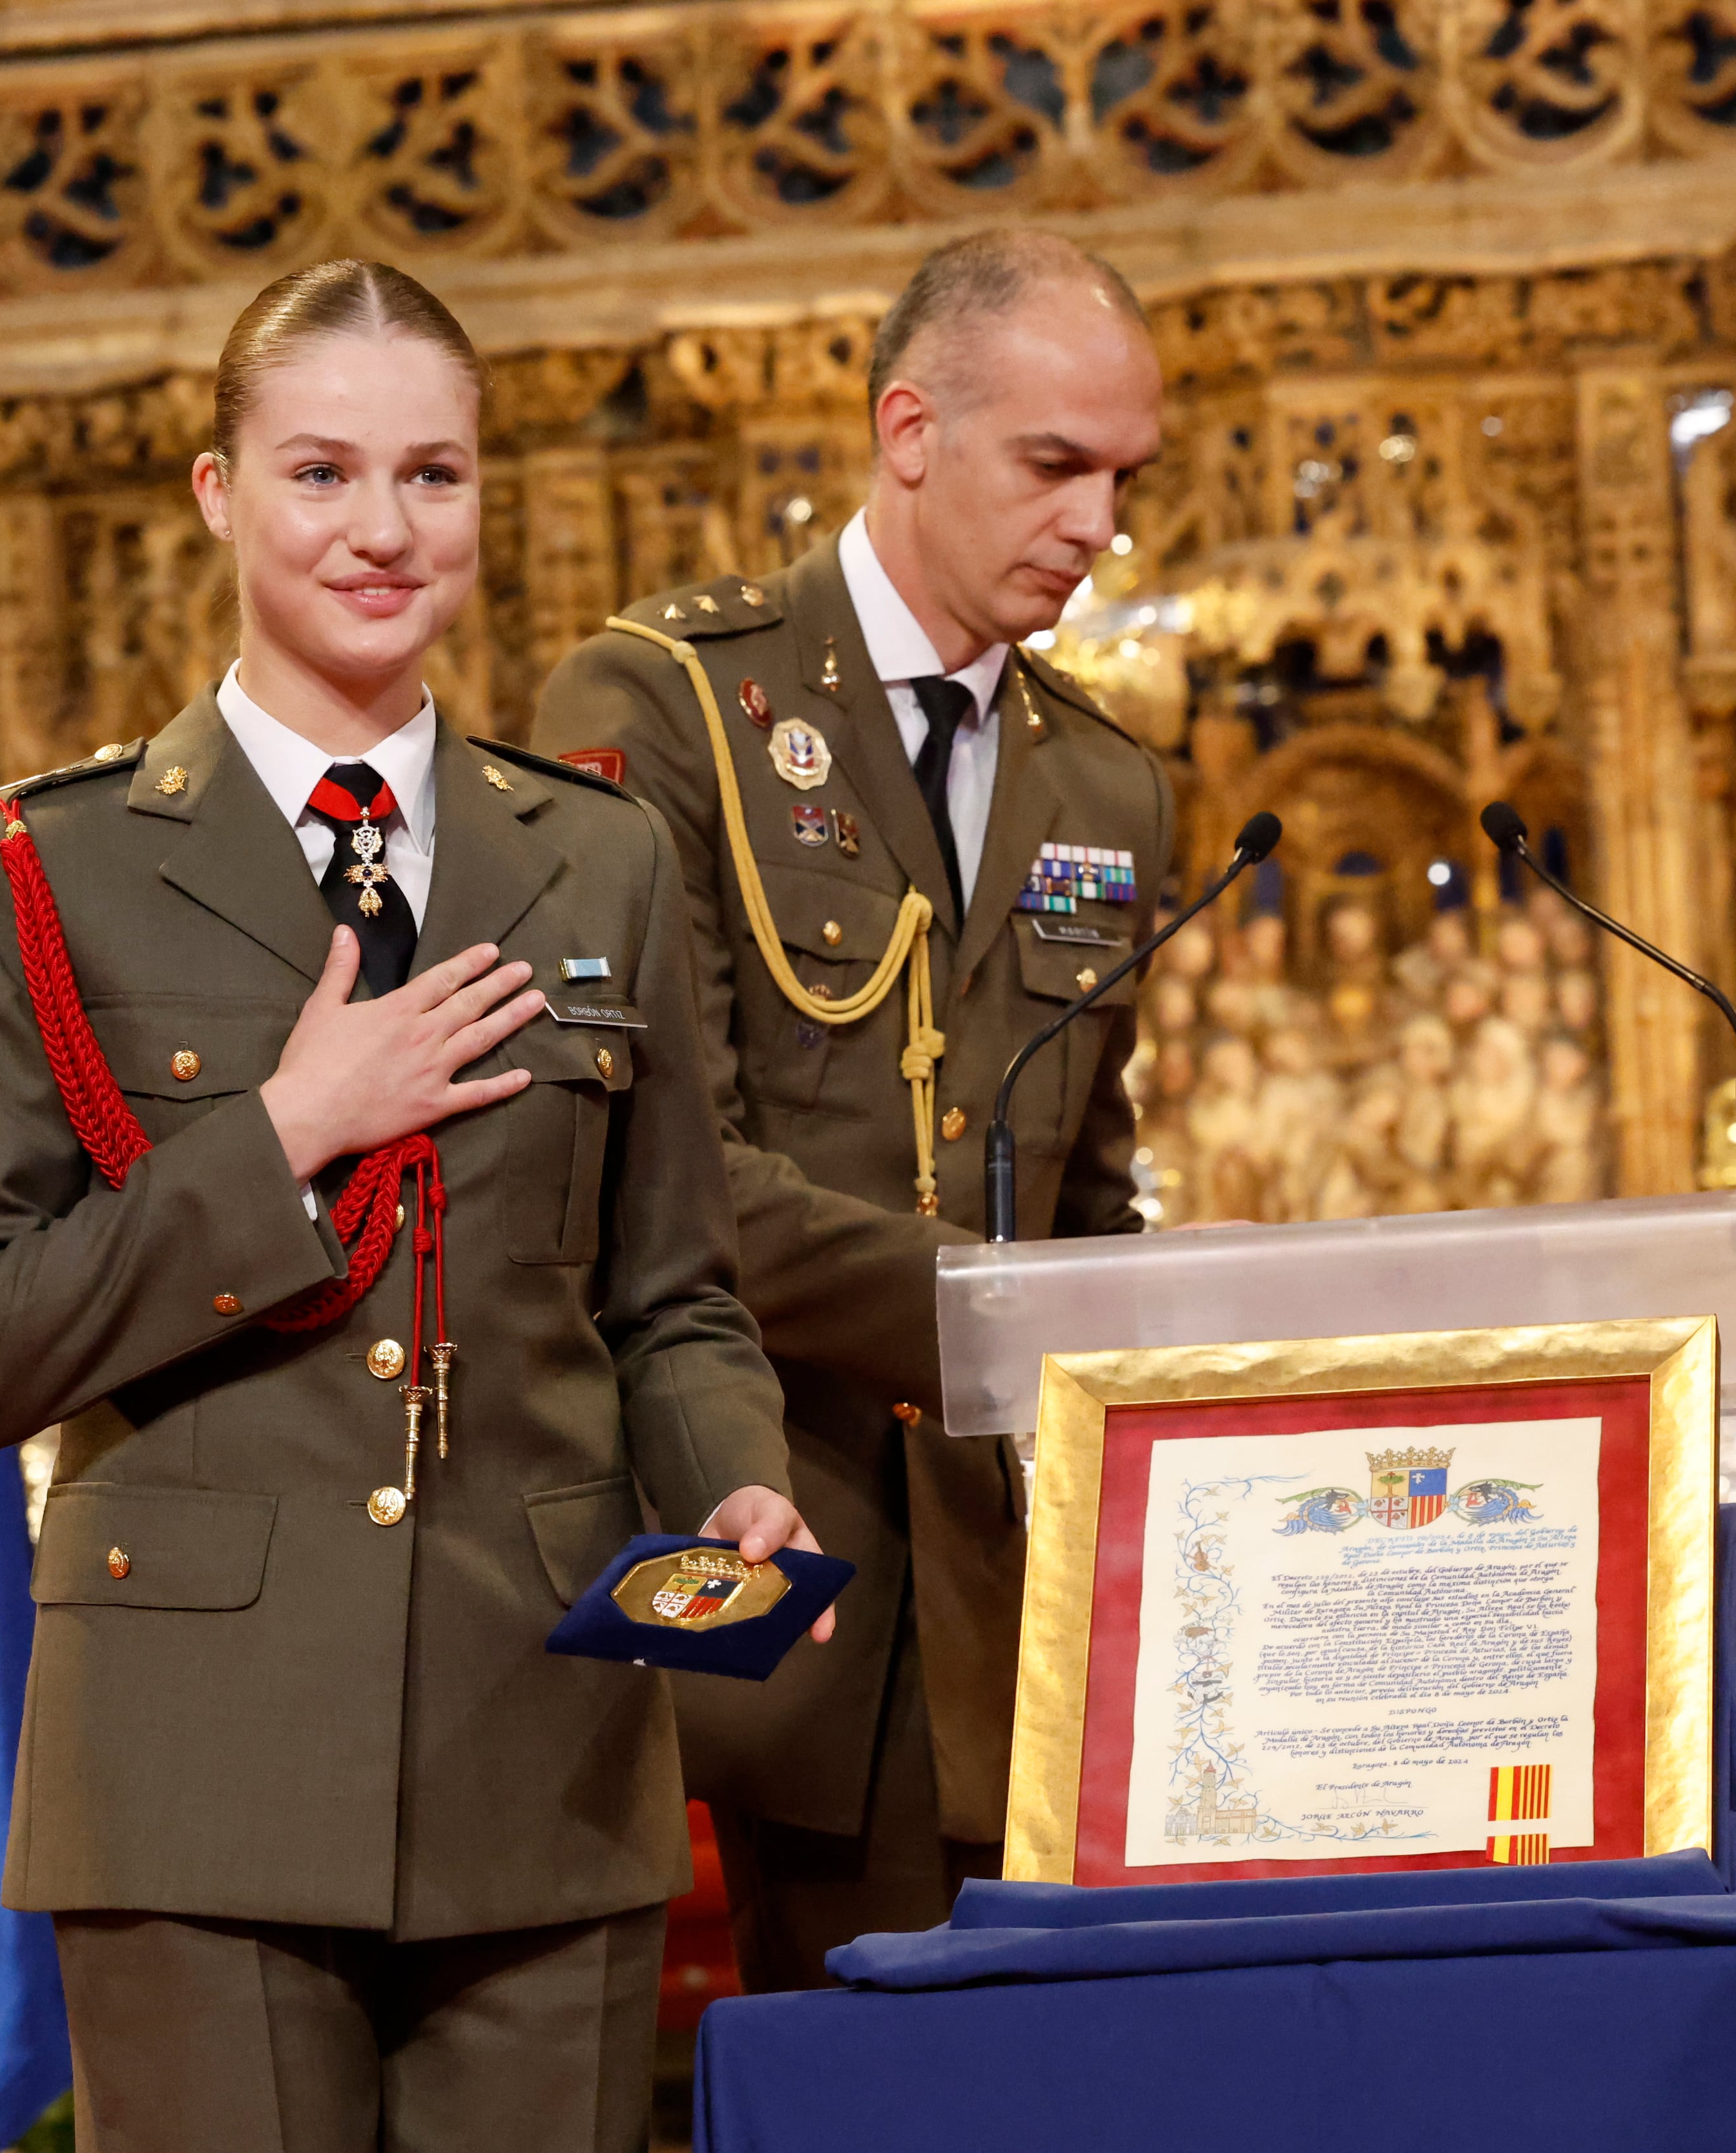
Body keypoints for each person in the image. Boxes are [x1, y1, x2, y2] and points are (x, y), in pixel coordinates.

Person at [0, 258, 823, 2153]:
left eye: (436, 478)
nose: (384, 532)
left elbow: (673, 1301)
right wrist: (284, 1134)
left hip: (543, 1742)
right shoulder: (55, 869)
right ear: (221, 494)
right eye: (322, 474)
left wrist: (734, 1470)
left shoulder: (602, 859)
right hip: (192, 1769)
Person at [530, 227, 1175, 1990]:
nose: (1098, 523)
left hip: (1021, 1589)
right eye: (1055, 465)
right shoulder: (667, 706)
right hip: (773, 1532)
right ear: (911, 430)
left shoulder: (1108, 780)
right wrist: (1014, 1309)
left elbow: (1091, 1189)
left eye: (1125, 477)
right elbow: (654, 1176)